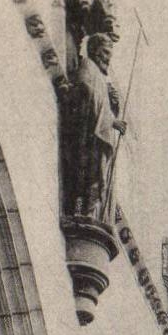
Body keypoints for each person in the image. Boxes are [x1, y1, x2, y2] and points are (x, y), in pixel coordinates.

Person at [63, 33, 126, 220]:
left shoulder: (99, 76)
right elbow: (85, 91)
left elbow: (100, 104)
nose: (107, 58)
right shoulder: (88, 67)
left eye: (109, 54)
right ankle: (79, 211)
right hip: (88, 137)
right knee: (85, 178)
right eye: (105, 52)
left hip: (96, 136)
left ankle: (88, 213)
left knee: (95, 180)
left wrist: (112, 108)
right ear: (94, 50)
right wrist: (112, 120)